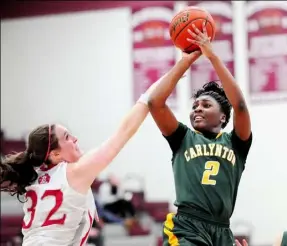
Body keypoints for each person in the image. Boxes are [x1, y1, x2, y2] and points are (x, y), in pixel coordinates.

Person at [0, 81, 159, 246]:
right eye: (67, 137)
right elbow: (123, 132)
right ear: (55, 153)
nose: (75, 139)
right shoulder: (73, 172)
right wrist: (151, 94)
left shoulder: (34, 176)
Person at [148, 22, 252, 246]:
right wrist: (185, 61)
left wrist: (212, 56)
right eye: (195, 106)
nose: (197, 109)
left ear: (223, 117)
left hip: (222, 231)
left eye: (206, 105)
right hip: (188, 226)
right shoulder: (182, 138)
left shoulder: (235, 143)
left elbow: (240, 106)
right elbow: (155, 103)